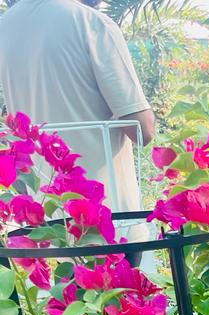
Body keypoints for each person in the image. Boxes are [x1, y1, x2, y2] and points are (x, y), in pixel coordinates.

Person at [0, 0, 154, 215]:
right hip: (104, 213)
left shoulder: (5, 25)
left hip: (45, 213)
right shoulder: (91, 23)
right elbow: (142, 130)